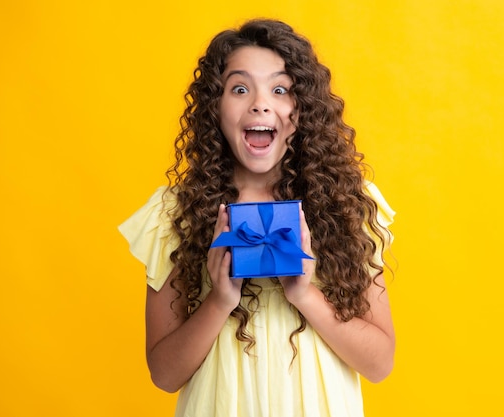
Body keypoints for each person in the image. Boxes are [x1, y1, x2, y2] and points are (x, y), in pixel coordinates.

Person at [119, 18, 396, 417]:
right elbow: (163, 374)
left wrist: (304, 294)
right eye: (240, 88)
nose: (260, 103)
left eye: (280, 89)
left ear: (302, 109)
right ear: (215, 107)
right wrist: (219, 300)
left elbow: (379, 363)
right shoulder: (174, 214)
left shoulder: (347, 205)